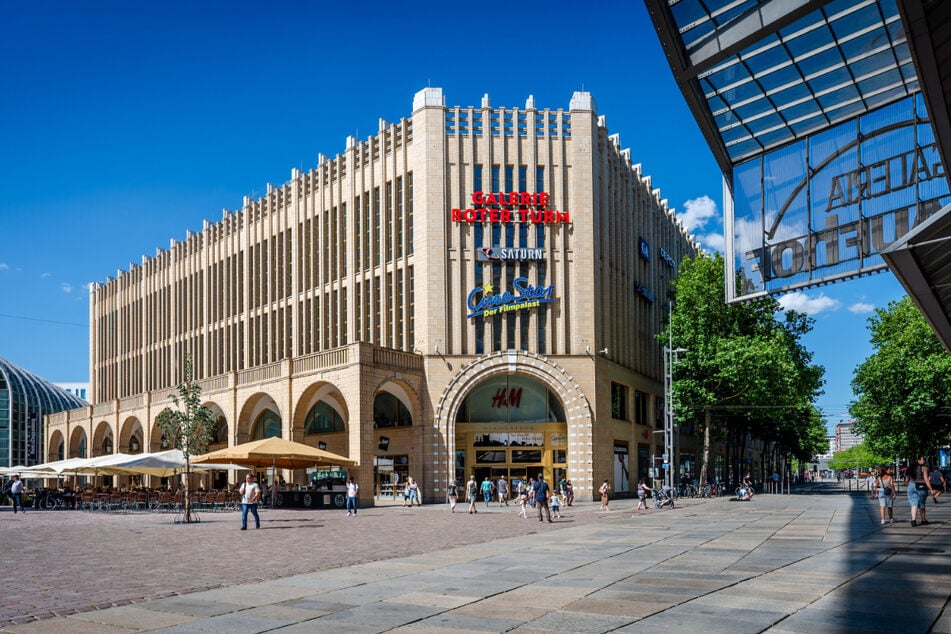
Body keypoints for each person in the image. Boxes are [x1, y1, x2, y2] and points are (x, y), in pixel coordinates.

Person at [906, 455, 936, 527]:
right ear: (918, 460)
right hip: (921, 487)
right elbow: (926, 479)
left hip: (911, 486)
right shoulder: (924, 468)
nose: (924, 461)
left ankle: (913, 520)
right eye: (923, 460)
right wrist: (931, 489)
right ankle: (923, 519)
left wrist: (910, 485)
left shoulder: (909, 468)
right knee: (922, 504)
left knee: (914, 504)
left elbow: (906, 480)